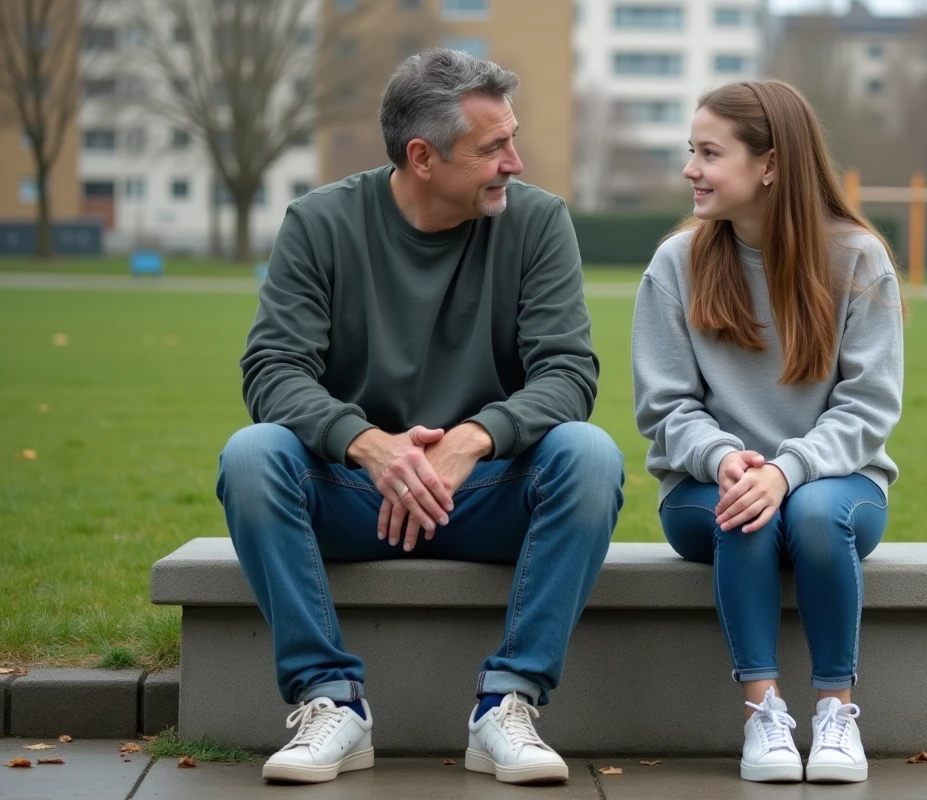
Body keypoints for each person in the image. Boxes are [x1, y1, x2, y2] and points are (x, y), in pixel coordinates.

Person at [216, 49, 624, 786]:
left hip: (485, 492)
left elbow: (568, 374)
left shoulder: (539, 223)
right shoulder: (320, 223)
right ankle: (331, 700)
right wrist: (369, 446)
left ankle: (508, 703)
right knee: (251, 456)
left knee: (589, 456)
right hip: (357, 495)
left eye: (512, 139)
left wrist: (473, 439)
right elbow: (273, 370)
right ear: (422, 157)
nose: (515, 162)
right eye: (493, 148)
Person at [631, 80, 904, 785]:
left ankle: (837, 714)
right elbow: (664, 407)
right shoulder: (676, 264)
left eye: (709, 153)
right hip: (704, 488)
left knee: (810, 514)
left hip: (837, 486)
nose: (690, 168)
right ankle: (763, 716)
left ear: (770, 164)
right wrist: (724, 457)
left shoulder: (858, 259)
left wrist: (787, 470)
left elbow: (869, 405)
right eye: (691, 151)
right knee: (743, 512)